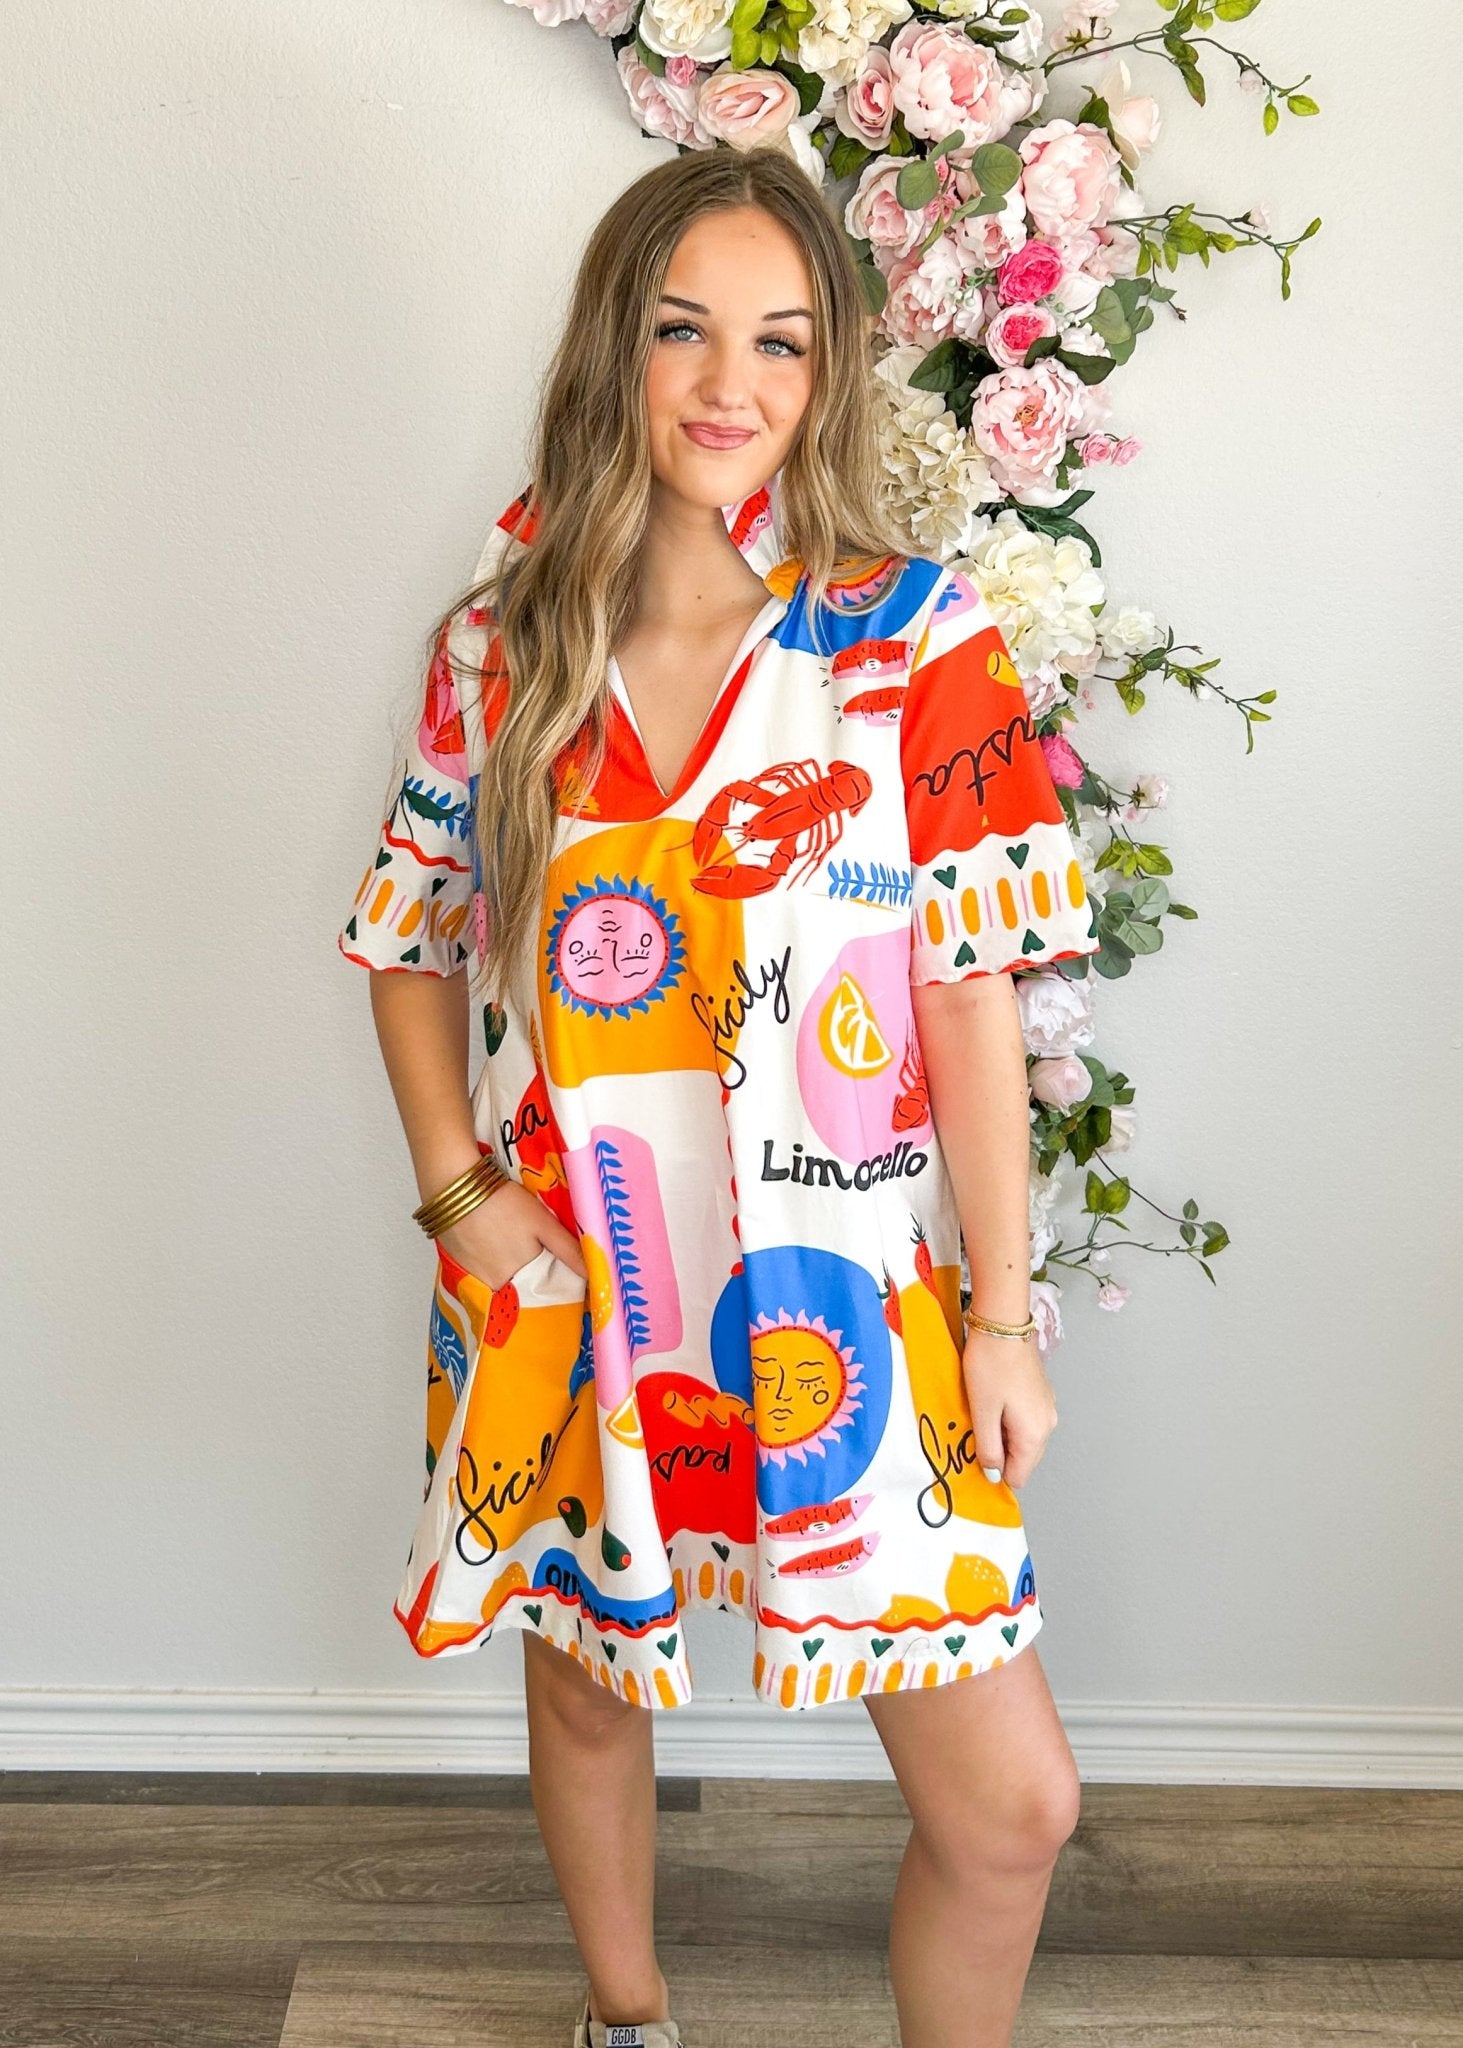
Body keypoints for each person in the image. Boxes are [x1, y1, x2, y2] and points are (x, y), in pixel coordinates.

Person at [338, 143, 1099, 2048]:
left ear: (830, 371)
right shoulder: (503, 647)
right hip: (578, 1279)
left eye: (781, 340)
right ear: (618, 345)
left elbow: (970, 995)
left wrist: (1003, 1317)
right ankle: (628, 2017)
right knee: (591, 1679)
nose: (728, 384)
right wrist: (463, 1198)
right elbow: (410, 937)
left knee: (1013, 1810)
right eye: (684, 330)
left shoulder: (910, 642)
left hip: (850, 1299)